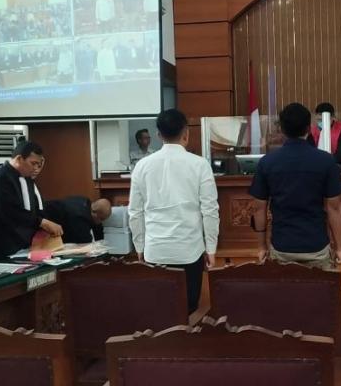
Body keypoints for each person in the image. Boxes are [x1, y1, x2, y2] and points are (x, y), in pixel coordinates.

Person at [128, 109, 219, 313]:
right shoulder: (200, 165)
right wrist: (211, 248)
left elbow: (135, 212)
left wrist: (139, 246)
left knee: (159, 310)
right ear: (186, 133)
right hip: (190, 251)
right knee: (188, 309)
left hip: (155, 251)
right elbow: (210, 210)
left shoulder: (142, 166)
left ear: (159, 135)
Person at [249, 103, 341, 270]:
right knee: (321, 287)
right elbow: (334, 208)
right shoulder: (326, 161)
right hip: (316, 246)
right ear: (308, 128)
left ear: (282, 129)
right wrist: (339, 248)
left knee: (284, 288)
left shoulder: (267, 162)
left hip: (282, 246)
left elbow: (259, 209)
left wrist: (261, 246)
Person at [0, 141, 63, 260]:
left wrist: (43, 222)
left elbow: (36, 207)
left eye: (38, 165)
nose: (36, 168)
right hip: (2, 244)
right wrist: (41, 222)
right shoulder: (0, 178)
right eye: (33, 163)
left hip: (24, 243)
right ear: (19, 159)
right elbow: (9, 210)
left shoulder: (27, 179)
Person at [44, 197, 111, 244]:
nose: (101, 222)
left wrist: (101, 245)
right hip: (43, 224)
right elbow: (85, 243)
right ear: (95, 213)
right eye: (101, 219)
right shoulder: (80, 218)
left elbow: (97, 228)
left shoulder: (87, 203)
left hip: (51, 216)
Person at [307, 102, 341, 167]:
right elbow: (310, 150)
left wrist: (327, 162)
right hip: (317, 164)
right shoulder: (312, 130)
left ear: (333, 117)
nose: (322, 123)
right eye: (319, 120)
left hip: (339, 164)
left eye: (325, 120)